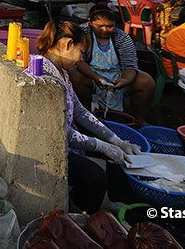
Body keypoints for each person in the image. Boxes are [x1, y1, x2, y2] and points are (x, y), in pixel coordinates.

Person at [36, 19, 142, 214]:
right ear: (67, 45)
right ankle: (77, 213)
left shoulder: (62, 72)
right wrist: (102, 146)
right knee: (95, 178)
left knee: (119, 159)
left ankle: (115, 202)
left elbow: (80, 111)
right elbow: (60, 131)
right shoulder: (45, 76)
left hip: (67, 137)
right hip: (50, 146)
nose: (79, 60)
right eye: (79, 52)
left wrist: (116, 141)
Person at [72, 7, 155, 126]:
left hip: (117, 73)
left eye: (110, 26)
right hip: (90, 73)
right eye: (99, 26)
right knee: (75, 76)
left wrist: (125, 80)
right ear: (90, 22)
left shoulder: (122, 38)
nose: (105, 30)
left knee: (146, 82)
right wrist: (95, 77)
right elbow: (78, 60)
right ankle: (85, 115)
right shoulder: (82, 33)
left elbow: (130, 65)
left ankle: (138, 118)